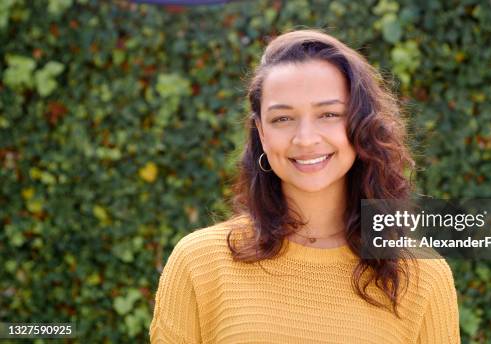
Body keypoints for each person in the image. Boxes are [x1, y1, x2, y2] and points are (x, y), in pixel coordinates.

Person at [149, 29, 460, 343]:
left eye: (328, 114)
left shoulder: (421, 275)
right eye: (283, 119)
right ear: (261, 132)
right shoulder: (199, 262)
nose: (306, 138)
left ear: (360, 124)